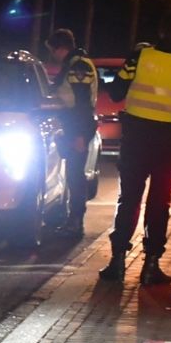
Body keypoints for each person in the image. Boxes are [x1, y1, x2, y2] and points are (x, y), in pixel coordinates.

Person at [99, 17, 171, 285]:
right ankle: (150, 265)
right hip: (168, 142)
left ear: (159, 31)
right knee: (160, 202)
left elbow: (115, 93)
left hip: (136, 137)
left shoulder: (140, 57)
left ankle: (117, 262)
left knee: (129, 199)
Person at [45, 29, 99, 238]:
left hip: (78, 127)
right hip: (74, 127)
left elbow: (82, 103)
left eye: (52, 50)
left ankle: (76, 222)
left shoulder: (79, 65)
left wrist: (80, 135)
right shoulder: (74, 63)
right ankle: (71, 219)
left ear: (60, 48)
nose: (53, 55)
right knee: (72, 175)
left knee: (76, 177)